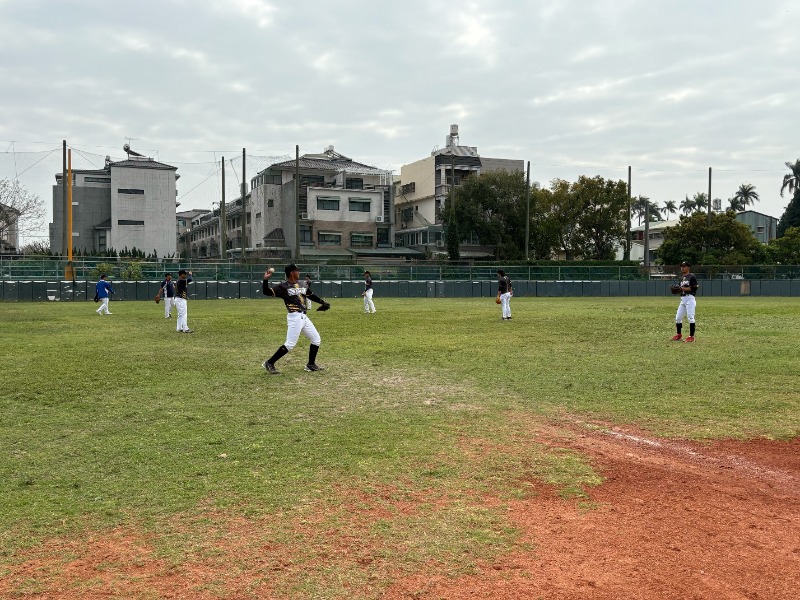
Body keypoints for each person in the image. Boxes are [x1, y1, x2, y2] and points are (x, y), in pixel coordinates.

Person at [262, 264, 329, 374]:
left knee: (316, 339)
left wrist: (322, 302)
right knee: (290, 344)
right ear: (292, 273)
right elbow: (267, 292)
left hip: (303, 316)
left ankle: (311, 365)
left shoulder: (301, 283)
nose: (299, 273)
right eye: (297, 271)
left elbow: (310, 295)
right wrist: (265, 280)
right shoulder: (283, 287)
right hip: (294, 316)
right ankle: (269, 363)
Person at [672, 260, 698, 342]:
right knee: (678, 318)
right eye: (681, 266)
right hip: (683, 299)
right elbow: (680, 289)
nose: (682, 268)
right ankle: (679, 334)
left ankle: (691, 336)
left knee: (690, 317)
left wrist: (682, 288)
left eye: (684, 266)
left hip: (690, 298)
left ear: (688, 267)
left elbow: (694, 288)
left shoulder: (692, 276)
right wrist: (677, 290)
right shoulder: (681, 278)